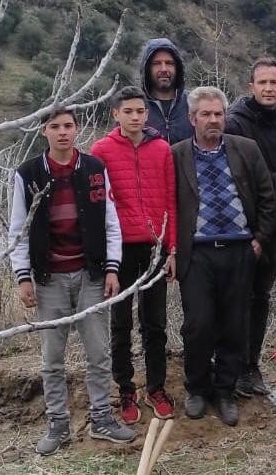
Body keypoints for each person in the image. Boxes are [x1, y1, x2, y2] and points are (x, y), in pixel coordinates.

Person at [9, 109, 135, 455]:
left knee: (98, 352)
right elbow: (18, 231)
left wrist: (112, 268)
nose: (63, 132)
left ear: (77, 129)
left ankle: (101, 419)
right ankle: (58, 424)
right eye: (55, 127)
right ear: (44, 131)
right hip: (49, 279)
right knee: (52, 356)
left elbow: (111, 223)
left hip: (91, 274)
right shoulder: (28, 174)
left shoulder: (94, 169)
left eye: (68, 126)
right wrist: (23, 277)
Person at [172, 86, 275, 426]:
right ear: (192, 119)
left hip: (239, 251)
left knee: (235, 325)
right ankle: (198, 389)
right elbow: (167, 207)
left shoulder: (245, 149)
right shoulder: (176, 155)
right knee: (198, 325)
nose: (214, 120)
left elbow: (267, 197)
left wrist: (259, 239)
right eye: (206, 114)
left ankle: (226, 391)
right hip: (197, 253)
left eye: (218, 114)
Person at [91, 86, 177, 424]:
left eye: (141, 111)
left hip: (155, 247)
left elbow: (172, 199)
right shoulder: (101, 151)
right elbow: (97, 206)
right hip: (120, 250)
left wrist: (172, 249)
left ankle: (156, 386)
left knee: (155, 323)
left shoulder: (162, 149)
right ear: (116, 114)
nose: (136, 117)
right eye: (128, 111)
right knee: (121, 323)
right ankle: (126, 388)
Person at [225, 57, 276, 397]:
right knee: (235, 299)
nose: (268, 88)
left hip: (272, 230)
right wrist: (275, 181)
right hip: (240, 229)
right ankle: (232, 368)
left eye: (274, 83)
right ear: (250, 86)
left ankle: (252, 365)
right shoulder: (235, 124)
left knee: (260, 299)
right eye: (262, 83)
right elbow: (238, 178)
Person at [139, 37, 193, 144]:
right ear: (147, 68)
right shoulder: (135, 106)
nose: (164, 69)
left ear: (178, 68)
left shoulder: (193, 104)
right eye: (156, 63)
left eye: (169, 63)